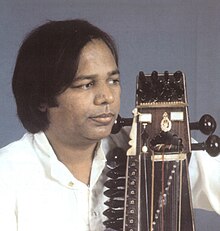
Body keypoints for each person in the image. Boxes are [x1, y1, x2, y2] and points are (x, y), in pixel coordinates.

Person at [0, 19, 219, 231]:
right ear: (42, 98)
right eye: (87, 85)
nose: (107, 97)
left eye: (113, 81)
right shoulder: (8, 175)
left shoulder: (150, 143)